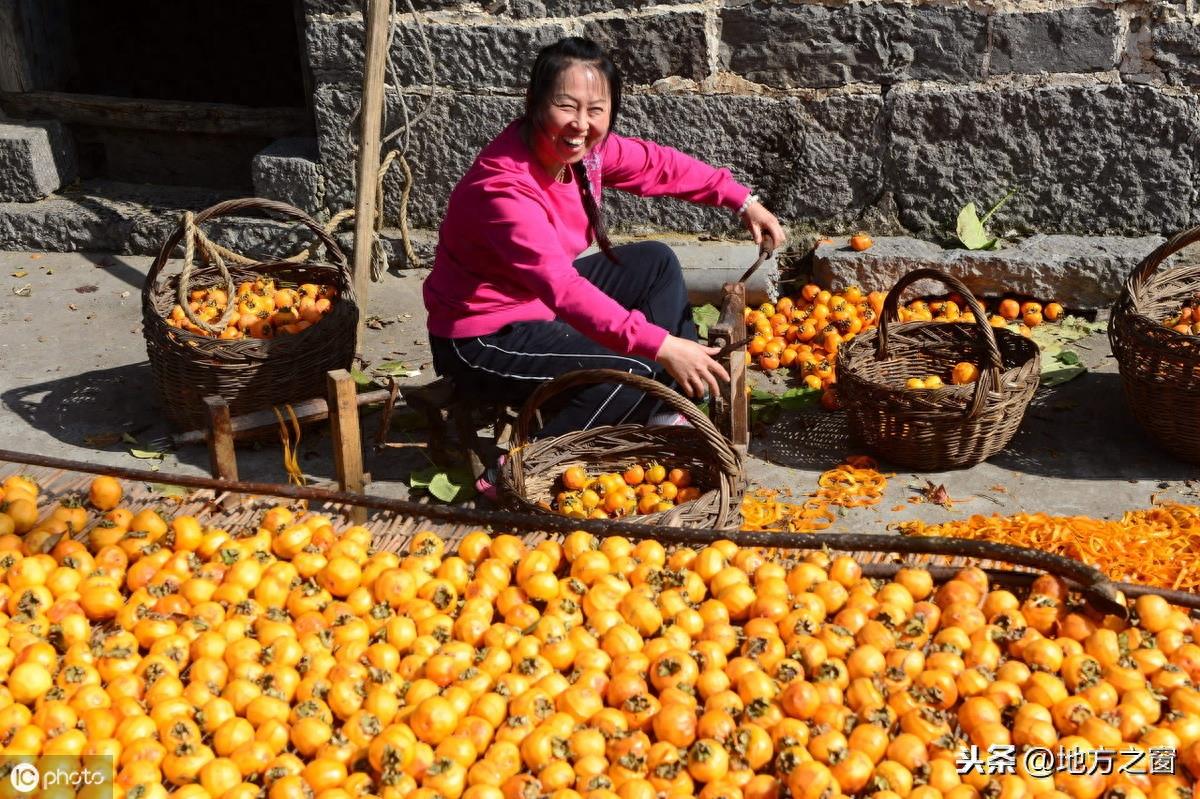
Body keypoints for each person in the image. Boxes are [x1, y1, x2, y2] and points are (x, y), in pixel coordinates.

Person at [424, 36, 787, 499]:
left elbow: (658, 166)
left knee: (653, 261)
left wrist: (742, 201)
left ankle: (664, 409)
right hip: (482, 336)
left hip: (534, 302)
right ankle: (519, 467)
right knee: (631, 367)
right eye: (566, 106)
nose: (581, 124)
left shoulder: (584, 155)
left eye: (596, 110)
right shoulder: (504, 189)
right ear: (535, 103)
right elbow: (564, 289)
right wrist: (659, 345)